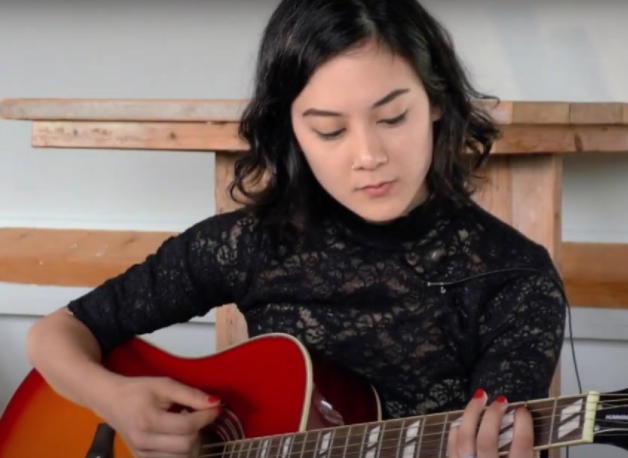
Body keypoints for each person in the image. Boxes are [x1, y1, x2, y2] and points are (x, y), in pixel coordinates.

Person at [25, 0, 568, 457]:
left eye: (393, 118)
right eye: (330, 130)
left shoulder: (514, 279)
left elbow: (497, 439)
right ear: (292, 133)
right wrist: (115, 402)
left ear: (437, 104)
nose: (368, 156)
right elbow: (53, 336)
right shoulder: (248, 244)